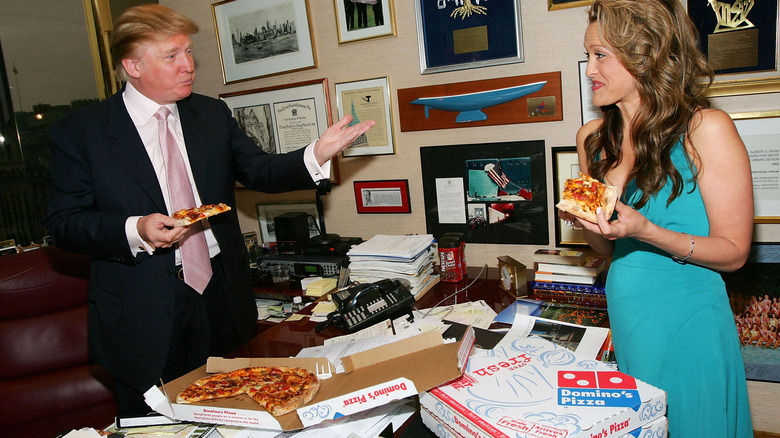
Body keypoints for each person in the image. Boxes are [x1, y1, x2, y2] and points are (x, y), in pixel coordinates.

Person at [44, 4, 374, 417]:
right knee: (159, 421)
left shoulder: (211, 114)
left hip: (221, 295)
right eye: (171, 55)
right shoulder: (81, 132)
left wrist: (314, 154)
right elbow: (65, 225)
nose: (188, 65)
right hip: (142, 309)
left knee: (239, 411)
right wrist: (136, 229)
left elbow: (260, 170)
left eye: (188, 52)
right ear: (132, 65)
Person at [558, 0, 753, 436]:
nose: (589, 69)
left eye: (600, 55)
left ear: (644, 55)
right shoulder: (589, 139)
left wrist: (647, 230)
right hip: (628, 313)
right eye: (588, 55)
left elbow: (736, 253)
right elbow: (608, 248)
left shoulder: (707, 128)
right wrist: (592, 227)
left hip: (691, 318)